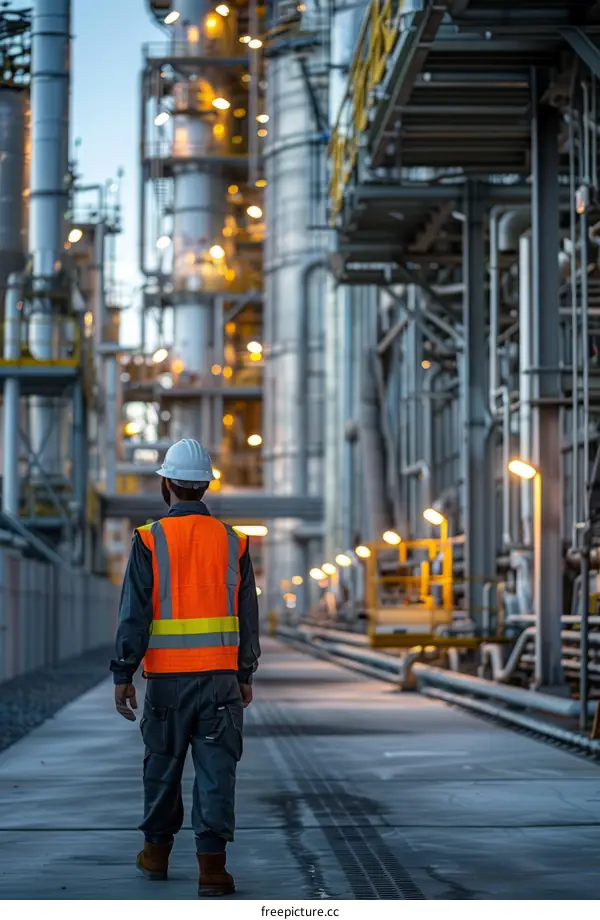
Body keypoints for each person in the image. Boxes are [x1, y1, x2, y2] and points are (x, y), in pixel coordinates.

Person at [110, 438, 261, 897]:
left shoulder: (150, 539)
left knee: (162, 767)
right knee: (217, 771)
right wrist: (245, 672)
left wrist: (123, 673)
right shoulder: (234, 541)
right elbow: (247, 612)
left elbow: (134, 613)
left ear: (167, 483)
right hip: (220, 682)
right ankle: (212, 870)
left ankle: (155, 856)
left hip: (166, 684)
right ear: (205, 486)